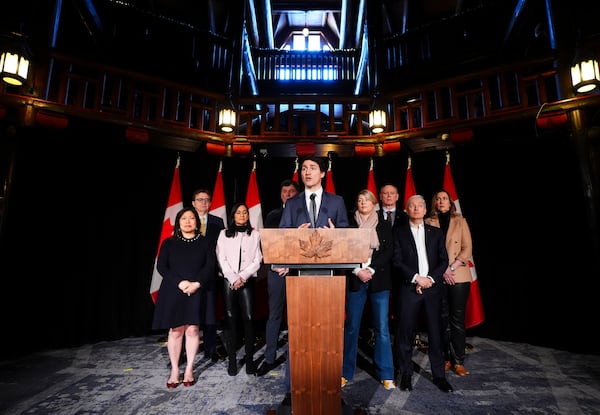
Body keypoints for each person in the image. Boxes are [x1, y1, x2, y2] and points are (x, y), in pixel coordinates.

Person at [277, 155, 350, 406]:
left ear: (323, 174)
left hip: (329, 281)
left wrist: (336, 236)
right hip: (299, 280)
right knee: (298, 334)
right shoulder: (292, 203)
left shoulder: (337, 201)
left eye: (312, 168)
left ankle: (330, 389)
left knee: (328, 335)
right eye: (304, 168)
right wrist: (291, 236)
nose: (307, 172)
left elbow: (348, 239)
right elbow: (282, 240)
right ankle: (293, 388)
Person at [392, 195, 453, 393]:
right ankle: (406, 374)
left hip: (433, 289)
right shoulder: (398, 232)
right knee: (405, 334)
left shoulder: (435, 232)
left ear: (426, 210)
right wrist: (417, 278)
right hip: (409, 289)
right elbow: (396, 261)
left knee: (436, 333)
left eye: (420, 205)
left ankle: (440, 376)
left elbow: (443, 260)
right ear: (407, 210)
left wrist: (429, 280)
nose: (416, 208)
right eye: (412, 206)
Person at [152, 207, 214, 388]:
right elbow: (162, 267)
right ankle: (174, 370)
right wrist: (180, 283)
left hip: (197, 289)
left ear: (197, 222)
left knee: (193, 330)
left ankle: (189, 370)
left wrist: (196, 284)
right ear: (178, 222)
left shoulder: (206, 242)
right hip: (173, 290)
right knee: (176, 330)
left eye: (191, 218)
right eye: (184, 218)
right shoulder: (169, 243)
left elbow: (210, 266)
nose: (188, 221)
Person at [342, 189, 396, 390]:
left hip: (379, 281)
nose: (362, 202)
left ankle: (386, 374)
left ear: (374, 203)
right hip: (356, 280)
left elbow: (389, 251)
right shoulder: (350, 224)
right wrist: (357, 271)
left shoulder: (383, 224)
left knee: (381, 329)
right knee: (352, 328)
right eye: (359, 199)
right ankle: (345, 372)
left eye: (366, 199)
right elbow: (344, 251)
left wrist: (371, 269)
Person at [425, 189, 473, 376]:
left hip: (458, 275)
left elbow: (467, 248)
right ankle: (445, 359)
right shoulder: (428, 222)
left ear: (451, 202)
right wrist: (442, 270)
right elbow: (427, 251)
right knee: (441, 319)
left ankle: (458, 360)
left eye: (444, 198)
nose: (441, 201)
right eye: (438, 198)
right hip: (438, 276)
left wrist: (451, 268)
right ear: (434, 203)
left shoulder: (460, 221)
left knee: (457, 319)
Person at [256, 179, 300, 377]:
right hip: (277, 271)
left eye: (292, 191)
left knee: (298, 318)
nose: (288, 194)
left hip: (299, 272)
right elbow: (269, 244)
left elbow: (305, 245)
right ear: (281, 195)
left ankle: (299, 357)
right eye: (285, 191)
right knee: (274, 315)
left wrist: (291, 264)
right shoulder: (273, 215)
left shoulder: (304, 215)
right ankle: (269, 358)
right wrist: (277, 264)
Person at [216, 202, 263, 376]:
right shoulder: (223, 234)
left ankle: (249, 360)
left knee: (249, 318)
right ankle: (232, 360)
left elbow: (258, 259)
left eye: (245, 212)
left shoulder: (255, 234)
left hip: (247, 280)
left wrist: (243, 276)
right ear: (233, 216)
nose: (242, 215)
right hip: (229, 280)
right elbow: (221, 257)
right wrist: (233, 277)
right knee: (230, 317)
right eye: (238, 212)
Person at [191, 189, 225, 362]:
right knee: (191, 313)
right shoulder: (187, 220)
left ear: (210, 203)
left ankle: (211, 350)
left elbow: (223, 247)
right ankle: (189, 348)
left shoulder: (218, 222)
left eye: (207, 200)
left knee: (210, 312)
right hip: (191, 275)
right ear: (193, 203)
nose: (204, 203)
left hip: (211, 274)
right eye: (200, 199)